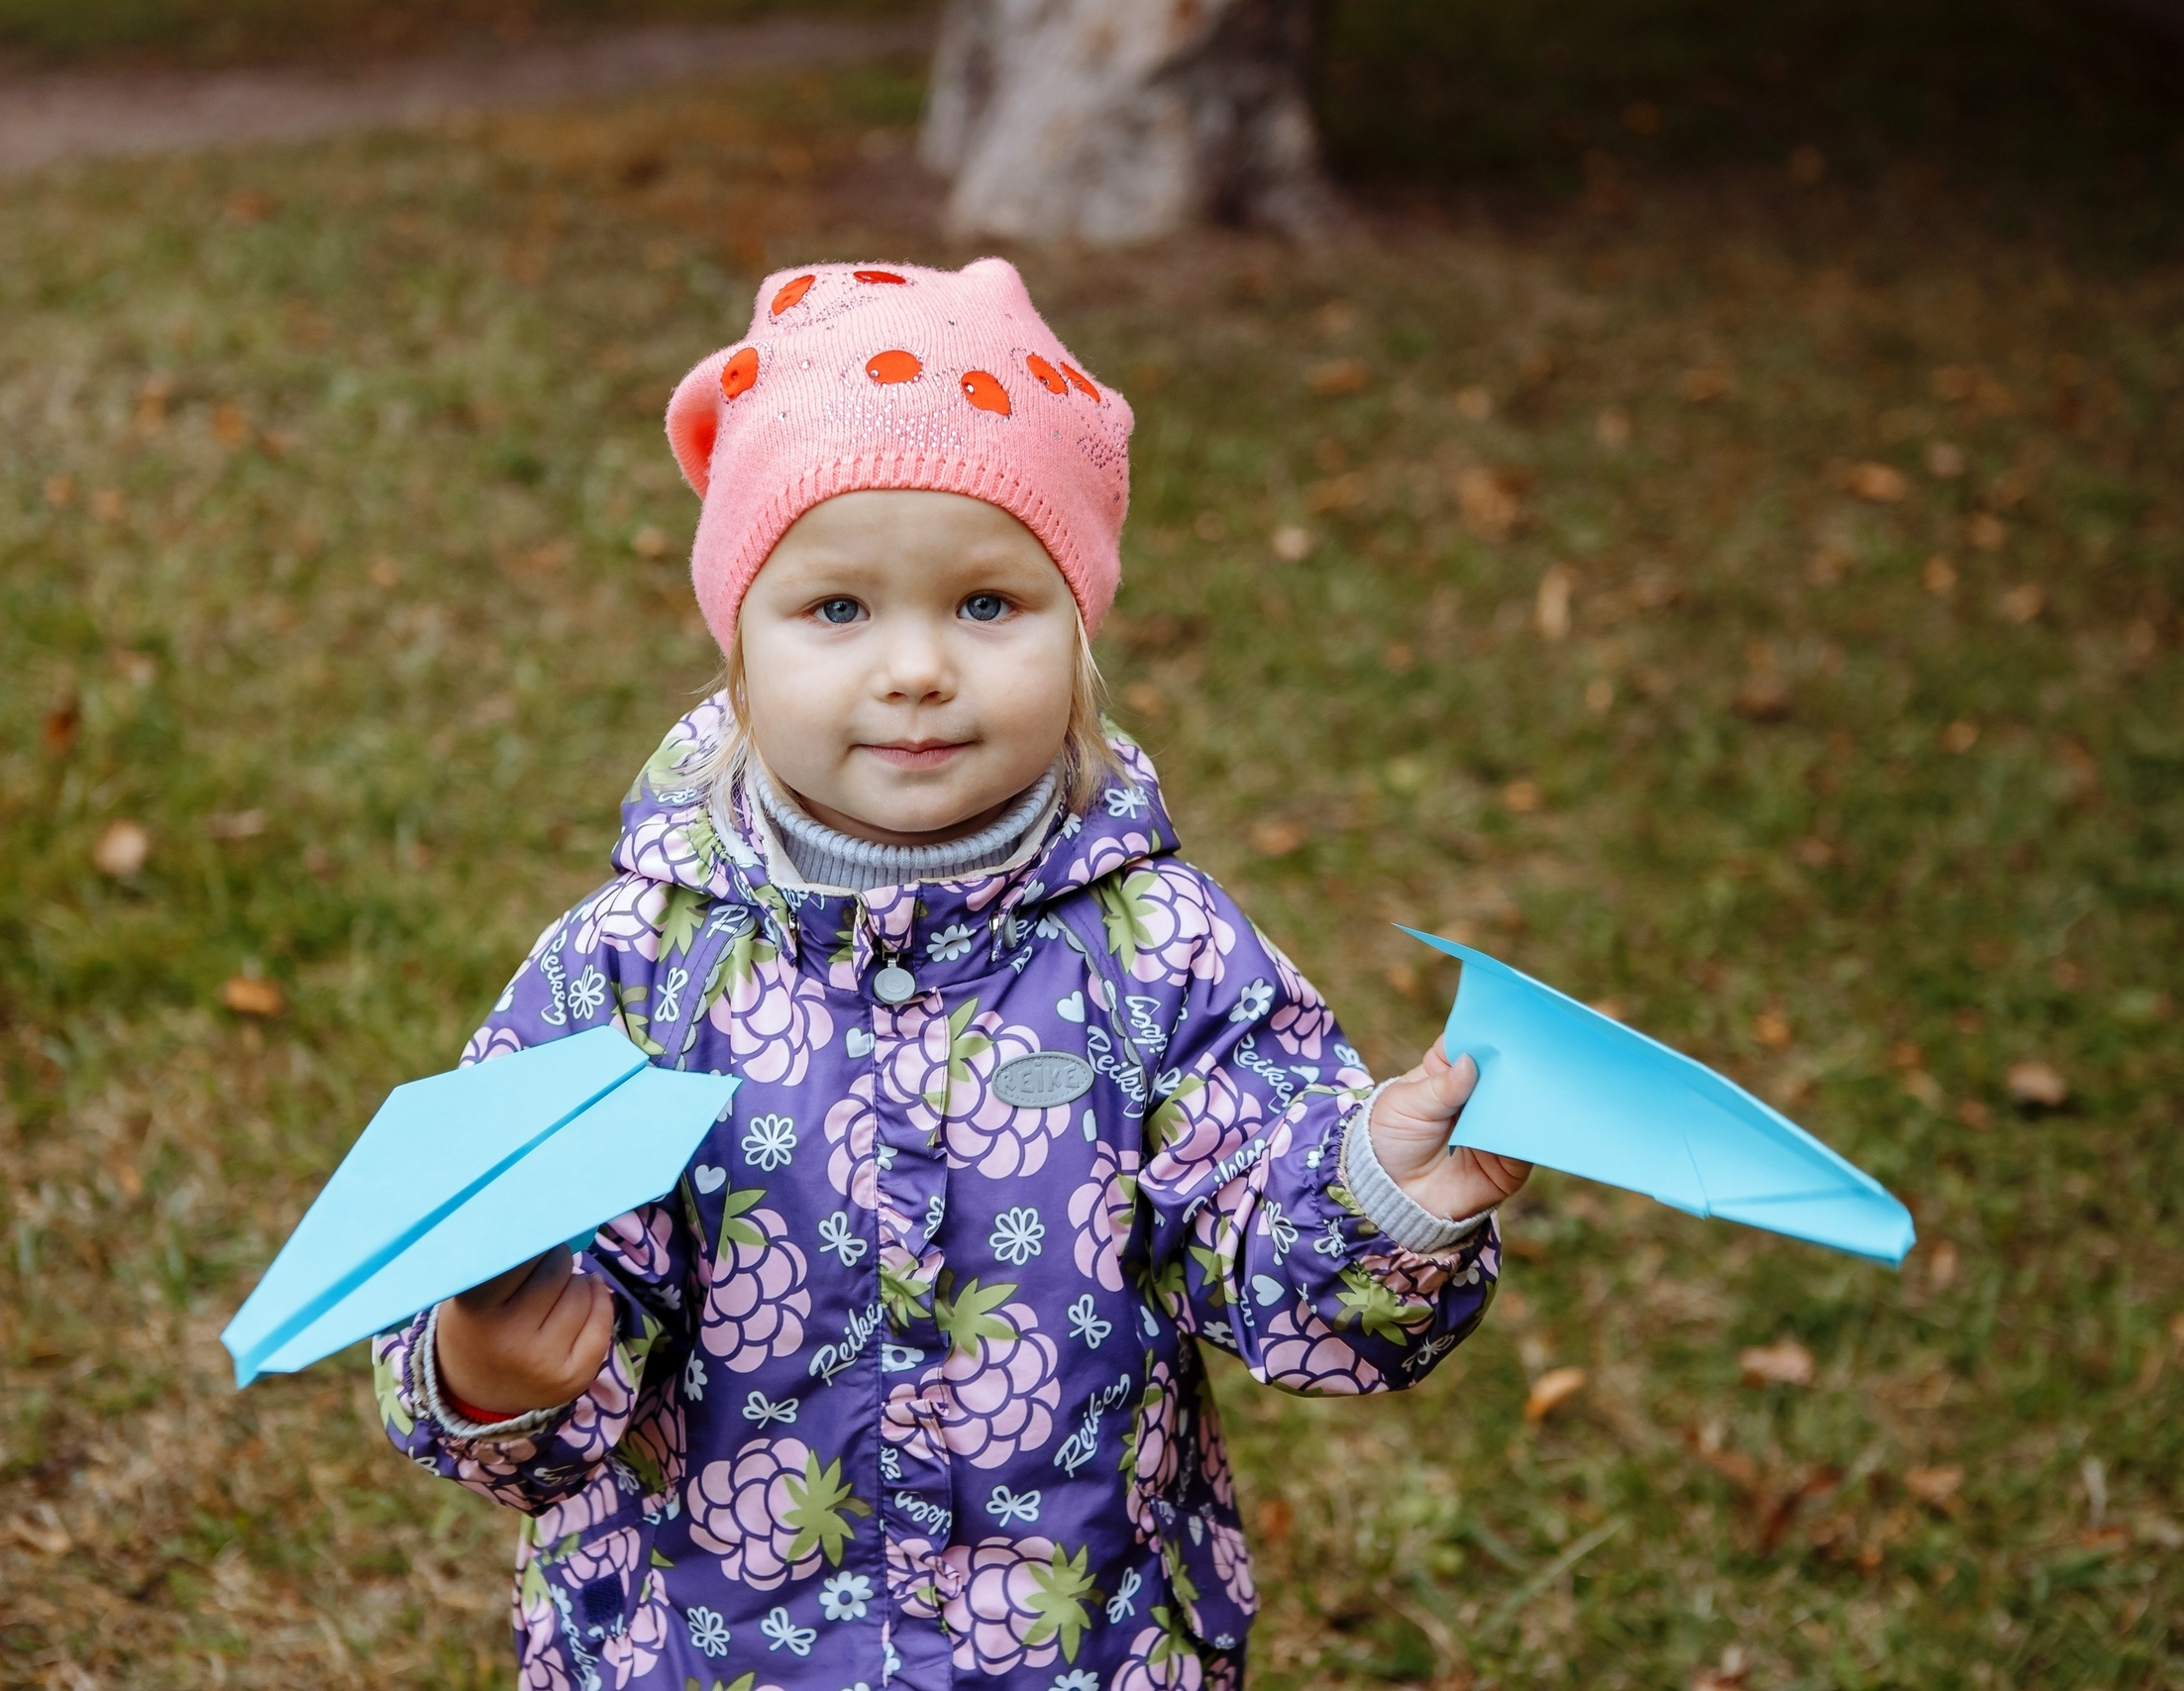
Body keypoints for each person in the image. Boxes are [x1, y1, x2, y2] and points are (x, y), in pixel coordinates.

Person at [373, 258, 1530, 1691]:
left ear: (1078, 629)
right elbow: (512, 1259)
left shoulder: (1160, 952)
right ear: (738, 644)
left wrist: (1379, 1195)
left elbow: (1275, 1271)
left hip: (1070, 1643)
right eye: (837, 609)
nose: (916, 667)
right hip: (705, 1647)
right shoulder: (633, 969)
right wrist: (492, 1366)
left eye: (986, 604)